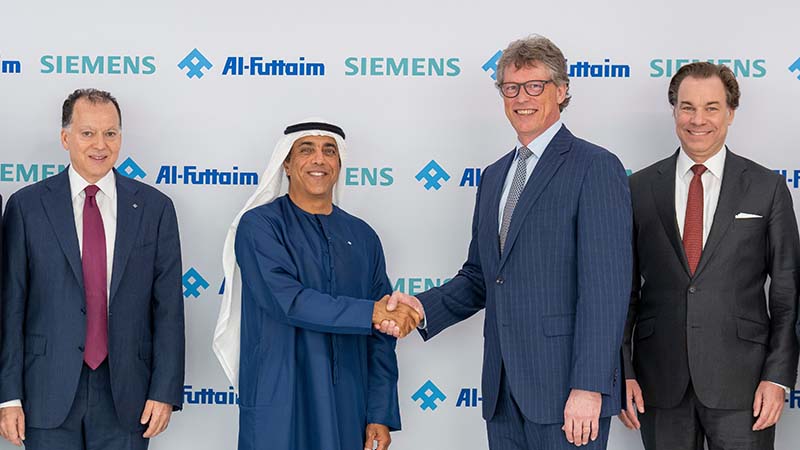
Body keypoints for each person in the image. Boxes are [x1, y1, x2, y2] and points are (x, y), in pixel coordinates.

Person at [380, 35, 632, 449]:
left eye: (534, 86)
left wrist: (589, 387)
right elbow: (480, 277)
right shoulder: (494, 176)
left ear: (561, 90)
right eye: (511, 88)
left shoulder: (596, 167)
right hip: (502, 391)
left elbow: (606, 290)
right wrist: (421, 308)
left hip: (567, 393)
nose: (521, 98)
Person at [618, 62, 800, 449]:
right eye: (687, 107)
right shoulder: (638, 188)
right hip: (658, 383)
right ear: (674, 111)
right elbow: (623, 292)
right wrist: (623, 371)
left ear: (730, 112)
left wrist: (777, 375)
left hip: (745, 384)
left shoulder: (766, 188)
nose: (698, 119)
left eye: (711, 107)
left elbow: (787, 292)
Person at [212, 120, 419, 450]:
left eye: (329, 151)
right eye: (306, 150)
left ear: (339, 163)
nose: (319, 159)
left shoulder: (363, 236)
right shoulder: (259, 226)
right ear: (287, 164)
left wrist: (379, 413)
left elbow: (382, 338)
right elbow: (288, 300)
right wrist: (372, 313)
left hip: (347, 401)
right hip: (279, 395)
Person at [0, 89, 185, 450]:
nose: (100, 144)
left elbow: (168, 310)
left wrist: (164, 391)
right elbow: (11, 306)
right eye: (87, 133)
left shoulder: (155, 208)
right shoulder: (26, 207)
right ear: (65, 138)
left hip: (128, 393)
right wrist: (8, 396)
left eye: (110, 133)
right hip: (45, 389)